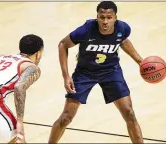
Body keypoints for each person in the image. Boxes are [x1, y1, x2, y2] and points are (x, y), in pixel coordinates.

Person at [48, 1, 144, 143]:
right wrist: (66, 76)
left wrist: (140, 61)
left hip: (111, 71)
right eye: (102, 17)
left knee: (129, 113)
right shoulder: (86, 29)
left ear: (115, 17)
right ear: (97, 17)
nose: (105, 21)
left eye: (109, 17)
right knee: (66, 117)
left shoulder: (123, 28)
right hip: (84, 73)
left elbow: (122, 41)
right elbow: (63, 44)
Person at [0, 34, 44, 143]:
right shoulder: (32, 68)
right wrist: (20, 121)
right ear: (38, 53)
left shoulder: (0, 58)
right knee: (18, 140)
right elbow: (19, 87)